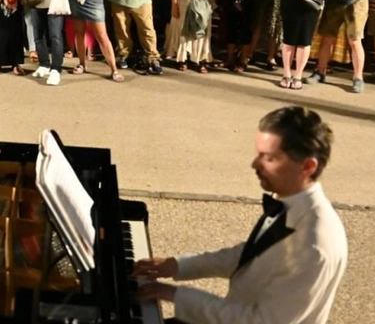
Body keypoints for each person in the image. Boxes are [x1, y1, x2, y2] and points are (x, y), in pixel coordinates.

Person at [134, 107, 347, 324]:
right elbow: (249, 256)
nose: (255, 164)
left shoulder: (314, 245)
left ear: (308, 166)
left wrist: (175, 295)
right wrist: (176, 265)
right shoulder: (292, 205)